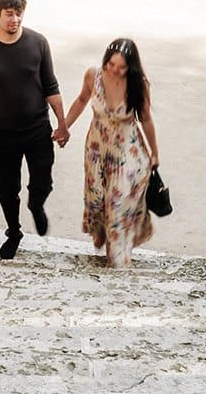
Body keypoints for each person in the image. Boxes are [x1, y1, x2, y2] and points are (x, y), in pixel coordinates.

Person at [0, 0, 68, 260]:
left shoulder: (38, 42)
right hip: (2, 133)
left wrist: (61, 124)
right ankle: (14, 231)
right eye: (9, 14)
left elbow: (51, 85)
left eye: (18, 13)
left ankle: (36, 204)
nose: (14, 19)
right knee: (5, 189)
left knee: (43, 180)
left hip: (38, 128)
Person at [64, 38, 159, 271]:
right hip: (97, 150)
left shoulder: (139, 84)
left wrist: (155, 152)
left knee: (116, 208)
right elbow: (81, 100)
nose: (115, 70)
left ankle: (118, 263)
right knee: (96, 199)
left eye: (121, 67)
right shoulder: (92, 75)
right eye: (111, 64)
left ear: (131, 67)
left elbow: (145, 118)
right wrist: (63, 127)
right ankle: (101, 233)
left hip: (127, 153)